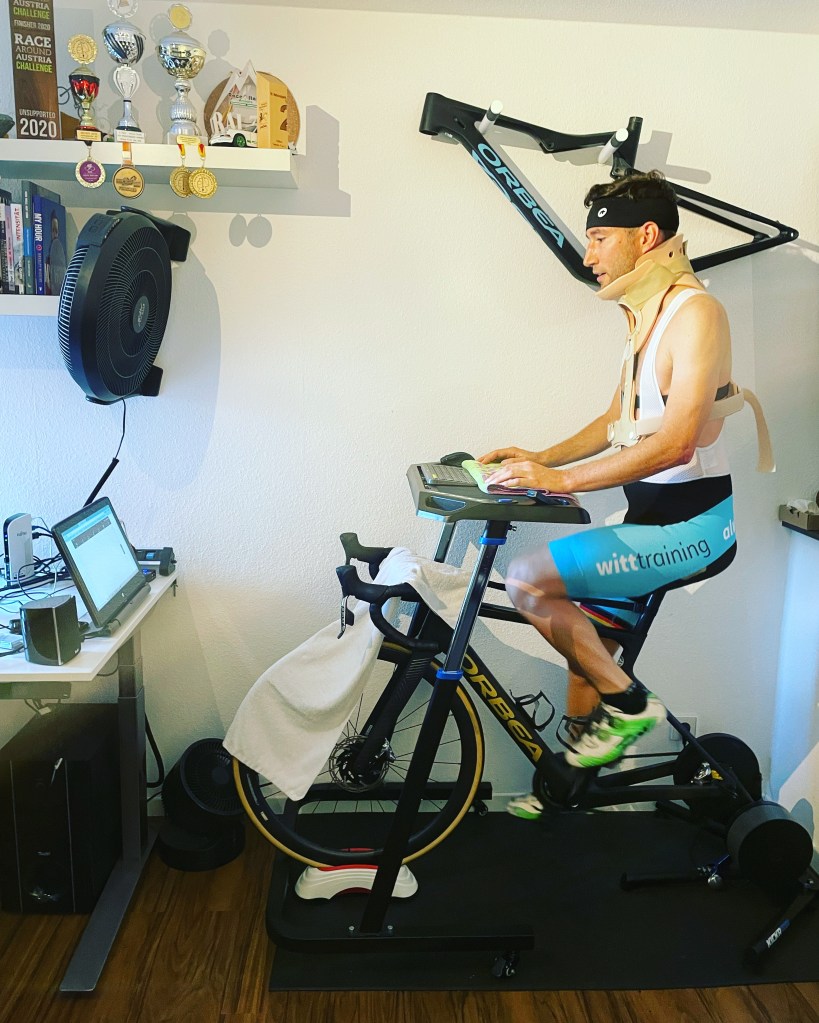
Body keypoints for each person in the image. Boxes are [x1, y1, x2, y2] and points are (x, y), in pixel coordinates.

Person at [478, 170, 739, 819]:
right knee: (584, 654)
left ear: (645, 236)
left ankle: (630, 707)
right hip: (650, 519)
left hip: (694, 529)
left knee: (528, 580)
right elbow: (614, 420)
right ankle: (576, 789)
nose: (588, 253)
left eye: (598, 238)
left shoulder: (696, 314)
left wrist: (560, 481)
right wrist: (539, 458)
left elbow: (677, 443)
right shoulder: (647, 317)